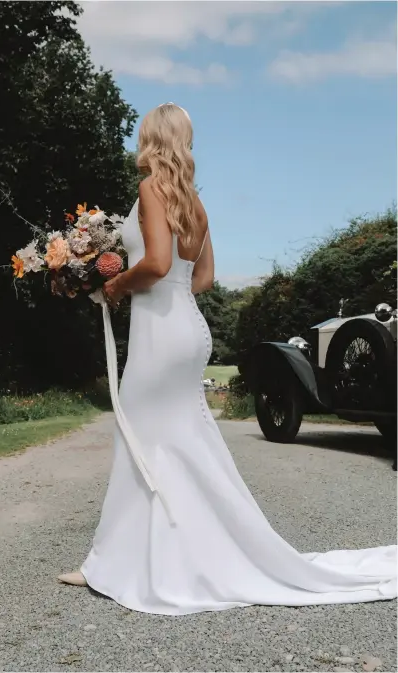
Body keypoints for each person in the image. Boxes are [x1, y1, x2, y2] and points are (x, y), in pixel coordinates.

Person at [58, 103, 397, 615]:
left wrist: (117, 286)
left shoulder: (152, 189)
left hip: (160, 335)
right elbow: (203, 279)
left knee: (139, 440)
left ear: (152, 138)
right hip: (188, 328)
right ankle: (145, 553)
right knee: (179, 441)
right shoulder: (194, 203)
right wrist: (166, 292)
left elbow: (155, 263)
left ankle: (109, 561)